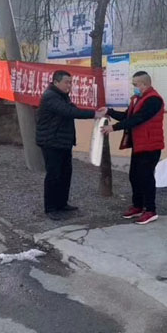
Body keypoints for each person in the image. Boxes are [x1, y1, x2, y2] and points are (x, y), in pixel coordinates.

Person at [36, 70, 107, 220]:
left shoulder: (62, 96)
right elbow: (68, 112)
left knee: (65, 174)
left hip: (63, 142)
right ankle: (51, 208)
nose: (69, 85)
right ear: (56, 82)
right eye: (66, 82)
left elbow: (74, 110)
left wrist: (95, 113)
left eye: (70, 82)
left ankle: (62, 203)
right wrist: (94, 115)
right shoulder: (50, 96)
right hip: (51, 142)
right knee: (54, 175)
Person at [102, 71, 164, 225]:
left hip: (150, 145)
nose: (133, 87)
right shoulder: (137, 99)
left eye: (135, 84)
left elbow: (138, 119)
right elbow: (127, 117)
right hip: (139, 145)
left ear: (144, 84)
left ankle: (150, 210)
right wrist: (109, 111)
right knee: (134, 176)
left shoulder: (154, 100)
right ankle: (138, 206)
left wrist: (113, 128)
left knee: (146, 177)